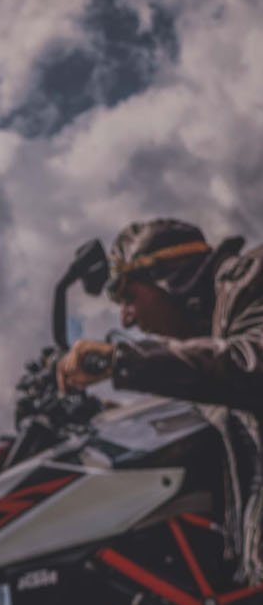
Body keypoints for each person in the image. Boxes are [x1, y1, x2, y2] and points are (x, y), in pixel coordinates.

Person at [57, 219, 263, 581]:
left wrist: (121, 360)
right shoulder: (213, 338)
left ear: (169, 277)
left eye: (128, 296)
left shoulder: (250, 278)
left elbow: (249, 362)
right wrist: (112, 422)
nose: (127, 318)